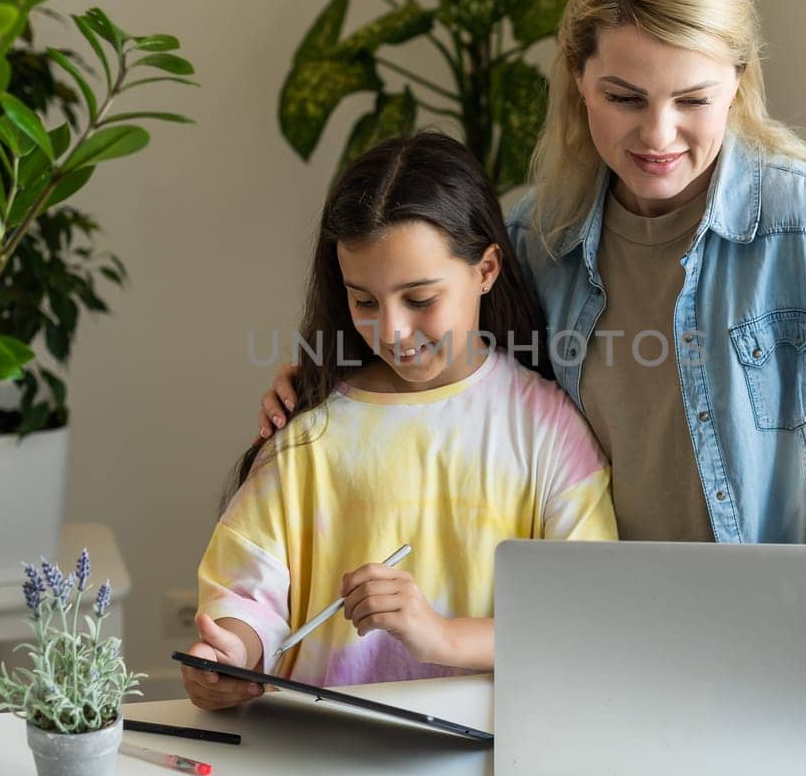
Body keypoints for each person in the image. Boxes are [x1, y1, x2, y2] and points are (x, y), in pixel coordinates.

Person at [258, 0, 806, 551]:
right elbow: (451, 391)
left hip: (775, 636)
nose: (658, 135)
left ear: (738, 79)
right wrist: (329, 381)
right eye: (624, 97)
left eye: (692, 99)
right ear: (578, 77)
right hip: (582, 633)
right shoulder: (529, 240)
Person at [182, 133, 617, 712]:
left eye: (419, 298)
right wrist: (229, 658)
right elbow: (248, 593)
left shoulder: (547, 431)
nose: (390, 331)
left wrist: (437, 634)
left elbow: (585, 617)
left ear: (486, 269)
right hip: (317, 755)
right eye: (364, 301)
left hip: (483, 765)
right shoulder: (310, 429)